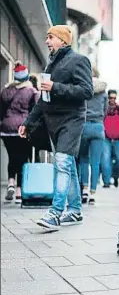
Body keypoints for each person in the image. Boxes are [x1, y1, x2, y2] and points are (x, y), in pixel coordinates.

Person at [19, 25, 94, 230]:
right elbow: (43, 101)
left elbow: (87, 91)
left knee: (61, 163)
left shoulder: (79, 60)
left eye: (50, 37)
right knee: (66, 165)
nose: (47, 41)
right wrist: (28, 123)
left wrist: (56, 87)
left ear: (63, 40)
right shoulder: (50, 64)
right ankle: (76, 211)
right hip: (53, 123)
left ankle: (55, 213)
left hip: (72, 120)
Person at [1, 61, 39, 203]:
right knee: (22, 158)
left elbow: (1, 111)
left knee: (12, 157)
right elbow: (35, 111)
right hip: (23, 128)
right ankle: (18, 191)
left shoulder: (6, 90)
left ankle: (11, 181)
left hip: (6, 129)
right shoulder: (31, 91)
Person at [78, 67, 107, 204]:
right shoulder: (103, 92)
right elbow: (105, 110)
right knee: (95, 162)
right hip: (98, 126)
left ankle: (84, 189)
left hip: (84, 126)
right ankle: (93, 192)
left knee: (83, 158)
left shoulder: (83, 88)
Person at [101, 89, 119, 188]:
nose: (112, 100)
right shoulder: (104, 109)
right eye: (110, 98)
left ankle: (115, 177)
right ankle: (106, 182)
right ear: (107, 98)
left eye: (114, 98)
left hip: (118, 140)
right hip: (105, 139)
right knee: (105, 160)